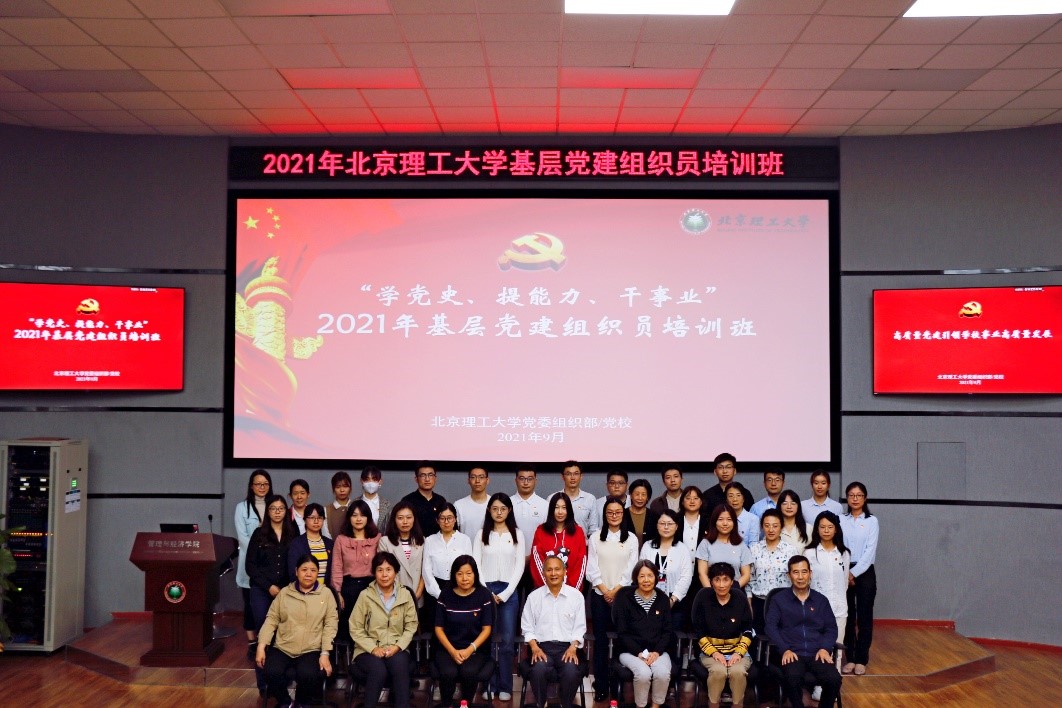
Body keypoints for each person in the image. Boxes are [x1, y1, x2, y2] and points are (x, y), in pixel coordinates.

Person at [256, 554, 338, 708]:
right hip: (283, 646)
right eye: (304, 570)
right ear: (296, 571)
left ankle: (301, 702)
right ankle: (286, 703)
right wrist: (261, 646)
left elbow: (330, 625)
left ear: (318, 573)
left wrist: (325, 653)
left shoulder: (326, 594)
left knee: (309, 674)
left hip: (311, 648)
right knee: (270, 671)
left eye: (313, 570)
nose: (308, 574)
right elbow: (271, 619)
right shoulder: (284, 593)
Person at [764, 556, 842, 708]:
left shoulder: (821, 600)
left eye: (804, 572)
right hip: (792, 652)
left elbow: (831, 628)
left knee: (834, 679)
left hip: (817, 653)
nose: (800, 577)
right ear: (789, 575)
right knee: (792, 678)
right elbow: (770, 627)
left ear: (810, 573)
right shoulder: (779, 600)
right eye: (796, 572)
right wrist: (784, 649)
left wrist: (825, 648)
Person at [586, 496, 640, 701]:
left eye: (618, 512)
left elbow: (631, 569)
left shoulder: (631, 539)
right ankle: (601, 685)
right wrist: (604, 590)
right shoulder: (595, 537)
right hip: (599, 596)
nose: (614, 515)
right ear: (604, 514)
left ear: (623, 514)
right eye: (610, 512)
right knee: (600, 642)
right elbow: (592, 567)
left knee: (621, 641)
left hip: (623, 598)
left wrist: (616, 591)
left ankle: (618, 686)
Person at [349, 551, 419, 708]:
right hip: (367, 650)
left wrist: (397, 646)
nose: (384, 574)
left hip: (397, 648)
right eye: (380, 570)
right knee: (378, 669)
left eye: (388, 570)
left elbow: (411, 626)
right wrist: (373, 648)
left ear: (396, 572)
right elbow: (355, 627)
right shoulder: (365, 596)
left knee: (400, 664)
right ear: (374, 573)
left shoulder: (405, 595)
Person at [472, 493, 525, 701]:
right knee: (487, 640)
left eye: (503, 509)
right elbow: (476, 564)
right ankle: (488, 684)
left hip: (509, 592)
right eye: (495, 509)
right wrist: (487, 592)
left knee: (507, 641)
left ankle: (505, 686)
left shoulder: (517, 534)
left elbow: (520, 566)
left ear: (509, 511)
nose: (499, 512)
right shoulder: (481, 534)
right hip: (485, 591)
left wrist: (506, 593)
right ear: (489, 511)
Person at [245, 494, 298, 696]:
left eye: (281, 508)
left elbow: (297, 562)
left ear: (286, 511)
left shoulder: (293, 533)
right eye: (273, 508)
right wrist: (269, 587)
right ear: (267, 511)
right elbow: (250, 566)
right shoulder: (259, 534)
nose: (277, 512)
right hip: (262, 591)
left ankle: (282, 681)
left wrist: (287, 588)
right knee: (264, 634)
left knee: (283, 634)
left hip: (287, 591)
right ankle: (264, 684)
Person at [521, 554, 587, 708]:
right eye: (549, 570)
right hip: (541, 647)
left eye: (557, 569)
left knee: (571, 671)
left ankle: (565, 705)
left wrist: (573, 647)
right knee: (538, 669)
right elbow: (527, 627)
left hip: (568, 647)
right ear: (543, 573)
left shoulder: (576, 596)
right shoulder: (534, 597)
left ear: (565, 572)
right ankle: (541, 704)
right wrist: (534, 647)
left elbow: (580, 627)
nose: (553, 573)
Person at [612, 560, 674, 708]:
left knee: (662, 673)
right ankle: (640, 706)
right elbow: (622, 633)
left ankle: (655, 706)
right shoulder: (625, 599)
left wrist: (656, 652)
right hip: (630, 652)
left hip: (657, 652)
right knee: (643, 673)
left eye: (650, 576)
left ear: (656, 578)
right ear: (636, 578)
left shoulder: (663, 599)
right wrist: (639, 653)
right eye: (642, 576)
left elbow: (667, 632)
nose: (646, 580)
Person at [434, 555, 494, 708]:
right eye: (460, 574)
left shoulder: (484, 595)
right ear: (454, 575)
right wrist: (453, 651)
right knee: (449, 672)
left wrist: (469, 650)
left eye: (469, 573)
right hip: (447, 649)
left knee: (468, 671)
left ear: (475, 574)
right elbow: (438, 628)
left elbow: (487, 629)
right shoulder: (445, 594)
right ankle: (447, 704)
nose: (464, 578)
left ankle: (465, 705)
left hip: (476, 650)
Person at [691, 563, 754, 708]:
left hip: (738, 652)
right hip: (710, 653)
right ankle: (713, 704)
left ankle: (737, 705)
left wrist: (739, 653)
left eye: (726, 579)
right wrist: (714, 653)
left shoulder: (740, 599)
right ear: (711, 582)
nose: (721, 585)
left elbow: (748, 630)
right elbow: (699, 631)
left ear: (732, 582)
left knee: (738, 671)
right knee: (718, 671)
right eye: (717, 580)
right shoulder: (704, 599)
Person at [840, 482, 878, 676]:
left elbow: (870, 552)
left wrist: (853, 573)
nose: (855, 498)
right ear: (847, 498)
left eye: (859, 495)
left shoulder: (872, 521)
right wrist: (846, 571)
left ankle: (862, 659)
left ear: (865, 498)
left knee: (864, 617)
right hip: (843, 570)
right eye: (851, 495)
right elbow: (838, 546)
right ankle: (851, 658)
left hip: (864, 571)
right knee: (847, 616)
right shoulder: (841, 519)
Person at [332, 499, 381, 644]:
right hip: (348, 588)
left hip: (371, 587)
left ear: (368, 518)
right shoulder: (341, 540)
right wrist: (337, 592)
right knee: (348, 626)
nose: (358, 519)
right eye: (354, 515)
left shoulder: (377, 538)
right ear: (349, 518)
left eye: (362, 515)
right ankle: (348, 656)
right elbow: (337, 567)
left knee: (371, 626)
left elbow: (381, 566)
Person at [235, 469, 272, 656]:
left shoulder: (275, 505)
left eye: (265, 484)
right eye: (258, 484)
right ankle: (252, 642)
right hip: (250, 563)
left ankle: (268, 642)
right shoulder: (242, 508)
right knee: (250, 605)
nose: (262, 487)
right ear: (251, 486)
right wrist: (261, 550)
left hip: (271, 564)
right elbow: (242, 537)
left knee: (270, 606)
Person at [639, 510, 693, 630]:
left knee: (671, 635)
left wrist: (673, 599)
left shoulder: (682, 549)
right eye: (662, 523)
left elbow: (686, 577)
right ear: (657, 525)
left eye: (670, 524)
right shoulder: (647, 546)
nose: (666, 527)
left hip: (674, 601)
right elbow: (640, 572)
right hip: (648, 598)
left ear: (676, 526)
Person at [423, 503, 473, 627]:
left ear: (455, 519)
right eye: (442, 518)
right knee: (437, 628)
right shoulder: (430, 540)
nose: (446, 522)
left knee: (458, 627)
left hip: (459, 588)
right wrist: (439, 594)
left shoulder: (464, 540)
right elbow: (426, 570)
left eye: (450, 518)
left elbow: (469, 568)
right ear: (437, 520)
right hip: (436, 591)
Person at [747, 509, 797, 634]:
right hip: (759, 603)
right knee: (760, 638)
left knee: (783, 639)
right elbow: (750, 578)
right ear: (762, 527)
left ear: (781, 527)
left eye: (775, 526)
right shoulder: (754, 549)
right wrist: (749, 603)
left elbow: (796, 578)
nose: (771, 530)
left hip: (784, 603)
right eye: (767, 525)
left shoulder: (790, 550)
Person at [804, 511, 850, 646]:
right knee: (816, 648)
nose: (826, 530)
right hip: (816, 609)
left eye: (830, 527)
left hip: (839, 609)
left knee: (837, 648)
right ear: (817, 529)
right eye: (822, 527)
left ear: (836, 529)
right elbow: (806, 582)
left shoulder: (844, 553)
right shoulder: (809, 553)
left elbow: (845, 581)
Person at [377, 500, 426, 625]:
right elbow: (383, 571)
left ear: (414, 519)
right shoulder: (385, 541)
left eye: (409, 517)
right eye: (400, 518)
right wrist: (398, 594)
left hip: (416, 596)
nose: (405, 522)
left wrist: (417, 595)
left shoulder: (422, 541)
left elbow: (425, 571)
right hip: (392, 596)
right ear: (394, 520)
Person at [529, 492, 587, 589]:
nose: (560, 512)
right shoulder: (541, 531)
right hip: (545, 591)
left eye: (564, 508)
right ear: (551, 509)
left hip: (572, 592)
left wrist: (572, 592)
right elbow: (537, 563)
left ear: (569, 510)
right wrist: (549, 590)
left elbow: (581, 563)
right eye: (556, 507)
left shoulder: (578, 532)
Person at [695, 505, 752, 596]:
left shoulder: (741, 545)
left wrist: (731, 590)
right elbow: (702, 573)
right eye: (720, 519)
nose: (725, 523)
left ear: (734, 522)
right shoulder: (705, 543)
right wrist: (712, 593)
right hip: (711, 594)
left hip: (735, 594)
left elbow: (746, 575)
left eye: (729, 519)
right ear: (714, 522)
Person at [287, 502, 334, 587]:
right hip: (303, 590)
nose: (316, 521)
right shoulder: (296, 543)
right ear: (304, 519)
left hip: (325, 591)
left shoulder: (330, 544)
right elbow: (292, 572)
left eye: (319, 518)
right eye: (312, 517)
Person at [400, 461, 448, 537]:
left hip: (437, 542)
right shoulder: (407, 501)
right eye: (423, 475)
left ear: (435, 478)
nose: (427, 479)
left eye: (430, 475)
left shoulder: (441, 500)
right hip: (415, 542)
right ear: (416, 479)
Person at [554, 460, 598, 537]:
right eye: (568, 474)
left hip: (583, 543)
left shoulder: (590, 499)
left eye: (576, 474)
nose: (572, 477)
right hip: (558, 543)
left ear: (581, 476)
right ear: (563, 477)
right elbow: (549, 525)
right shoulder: (552, 498)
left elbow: (593, 531)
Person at [511, 463, 548, 541]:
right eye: (522, 479)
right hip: (511, 549)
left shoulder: (545, 505)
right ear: (516, 481)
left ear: (535, 481)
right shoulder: (507, 504)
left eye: (530, 479)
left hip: (537, 549)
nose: (526, 483)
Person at [454, 465, 491, 540]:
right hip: (465, 547)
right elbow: (453, 533)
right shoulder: (459, 505)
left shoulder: (495, 504)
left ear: (487, 480)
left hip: (489, 547)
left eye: (481, 477)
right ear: (468, 480)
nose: (477, 481)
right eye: (473, 477)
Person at [356, 465, 393, 533]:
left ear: (380, 481)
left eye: (374, 479)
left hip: (381, 539)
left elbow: (390, 528)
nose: (371, 483)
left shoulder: (387, 505)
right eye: (367, 479)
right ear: (361, 481)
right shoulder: (354, 503)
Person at [626, 479, 659, 547]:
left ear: (648, 497)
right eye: (637, 494)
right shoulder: (622, 514)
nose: (640, 498)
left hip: (649, 553)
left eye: (643, 494)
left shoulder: (654, 516)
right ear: (631, 495)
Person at [725, 482, 760, 547]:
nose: (735, 499)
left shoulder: (753, 519)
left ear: (743, 498)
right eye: (731, 496)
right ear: (726, 499)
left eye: (738, 495)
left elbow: (753, 546)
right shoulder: (721, 518)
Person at [326, 470, 354, 539]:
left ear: (350, 488)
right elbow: (326, 535)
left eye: (345, 486)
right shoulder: (326, 510)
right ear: (333, 489)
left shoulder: (356, 507)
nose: (342, 490)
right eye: (338, 487)